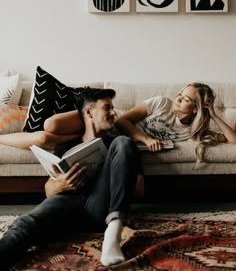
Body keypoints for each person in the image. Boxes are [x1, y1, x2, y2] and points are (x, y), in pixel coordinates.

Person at [0, 88, 142, 270]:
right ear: (89, 112)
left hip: (99, 205)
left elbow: (139, 189)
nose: (114, 112)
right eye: (107, 108)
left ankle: (113, 232)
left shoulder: (119, 146)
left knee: (124, 142)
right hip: (67, 202)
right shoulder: (67, 146)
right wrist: (60, 184)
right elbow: (48, 189)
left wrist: (107, 175)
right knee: (25, 223)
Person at [116, 82, 224, 162]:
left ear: (196, 109)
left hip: (129, 148)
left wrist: (213, 115)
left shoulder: (192, 130)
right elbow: (121, 121)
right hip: (114, 130)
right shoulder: (162, 103)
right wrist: (147, 140)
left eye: (186, 99)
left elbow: (233, 140)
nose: (178, 98)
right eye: (180, 93)